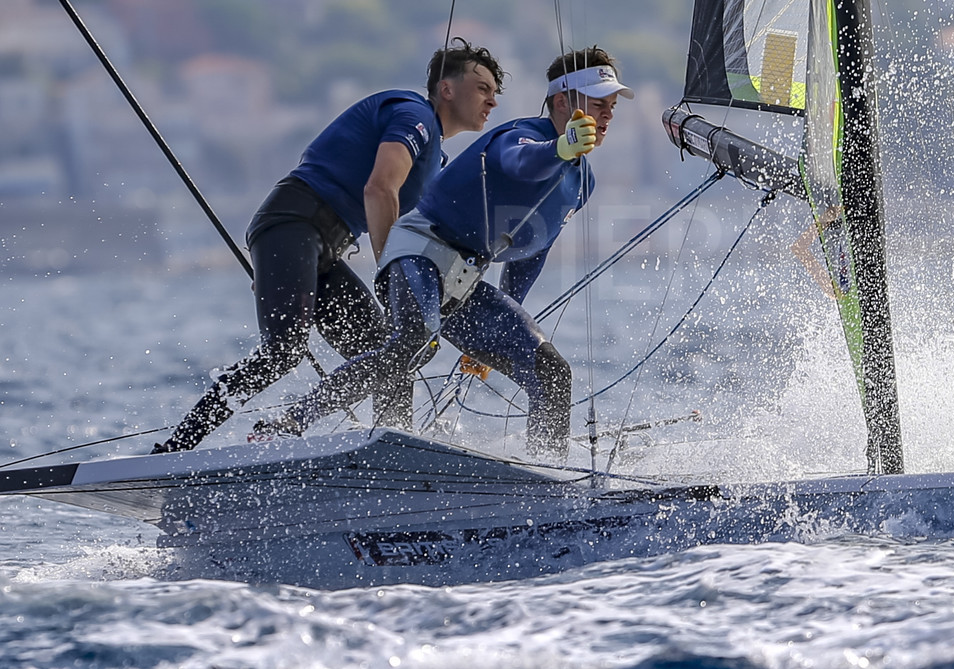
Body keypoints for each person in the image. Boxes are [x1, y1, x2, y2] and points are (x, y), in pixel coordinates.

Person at [257, 46, 630, 457]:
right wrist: (560, 149)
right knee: (415, 343)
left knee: (551, 371)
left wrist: (504, 326)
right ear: (563, 102)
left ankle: (548, 473)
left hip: (463, 280)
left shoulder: (583, 182)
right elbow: (521, 163)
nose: (608, 115)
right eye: (599, 105)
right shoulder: (522, 137)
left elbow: (532, 251)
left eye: (612, 107)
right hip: (419, 250)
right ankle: (287, 425)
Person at [152, 40, 504, 453]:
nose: (492, 101)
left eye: (495, 93)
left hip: (322, 246)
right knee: (285, 351)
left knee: (391, 354)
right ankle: (175, 449)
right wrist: (393, 277)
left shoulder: (433, 158)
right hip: (292, 223)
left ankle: (395, 451)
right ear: (447, 89)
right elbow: (378, 190)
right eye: (483, 88)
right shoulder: (414, 114)